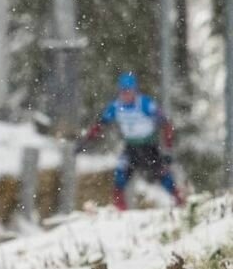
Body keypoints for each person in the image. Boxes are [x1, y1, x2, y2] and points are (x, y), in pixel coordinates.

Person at [76, 72, 184, 211]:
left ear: (135, 91)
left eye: (128, 91)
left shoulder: (144, 103)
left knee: (163, 176)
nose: (125, 95)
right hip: (131, 147)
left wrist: (168, 147)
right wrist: (85, 141)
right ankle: (120, 210)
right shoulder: (116, 106)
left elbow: (165, 123)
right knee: (120, 176)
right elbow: (100, 124)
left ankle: (180, 202)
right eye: (122, 91)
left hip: (148, 146)